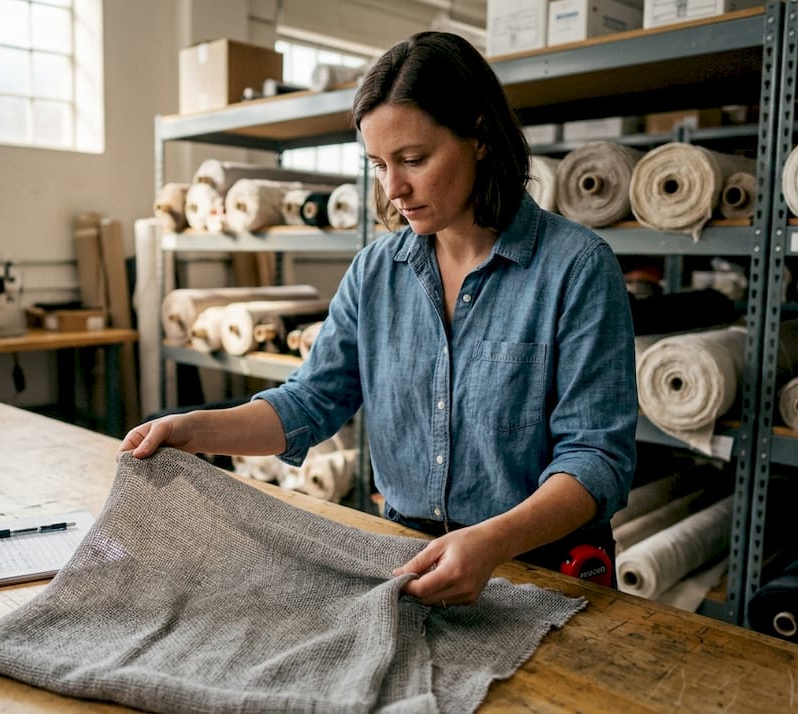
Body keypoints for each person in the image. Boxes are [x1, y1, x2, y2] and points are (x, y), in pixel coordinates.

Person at [122, 31, 637, 606]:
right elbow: (311, 400)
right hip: (408, 561)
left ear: (481, 137)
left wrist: (492, 541)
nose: (393, 189)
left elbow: (596, 458)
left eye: (413, 160)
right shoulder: (377, 271)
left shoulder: (577, 269)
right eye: (378, 164)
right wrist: (199, 430)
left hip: (542, 569)